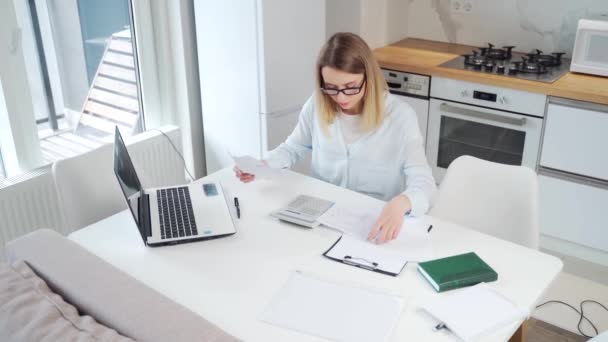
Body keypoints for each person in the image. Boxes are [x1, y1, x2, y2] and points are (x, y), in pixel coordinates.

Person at [234, 32, 436, 244]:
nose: (340, 97)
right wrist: (263, 165)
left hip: (373, 225)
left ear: (369, 77)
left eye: (350, 87)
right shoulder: (317, 104)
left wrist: (402, 202)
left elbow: (425, 183)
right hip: (320, 219)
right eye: (331, 87)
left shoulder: (401, 117)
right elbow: (293, 148)